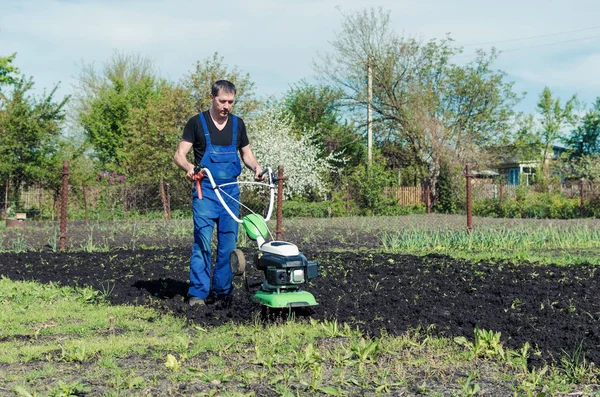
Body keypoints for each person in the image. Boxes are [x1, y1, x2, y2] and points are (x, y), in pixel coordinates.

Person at [174, 80, 263, 307]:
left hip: (230, 192)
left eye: (230, 102)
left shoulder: (237, 125)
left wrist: (257, 168)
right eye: (222, 101)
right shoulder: (197, 123)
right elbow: (179, 155)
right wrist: (189, 168)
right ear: (212, 98)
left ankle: (222, 291)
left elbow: (247, 155)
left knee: (228, 244)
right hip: (206, 192)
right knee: (202, 242)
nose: (226, 106)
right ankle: (198, 293)